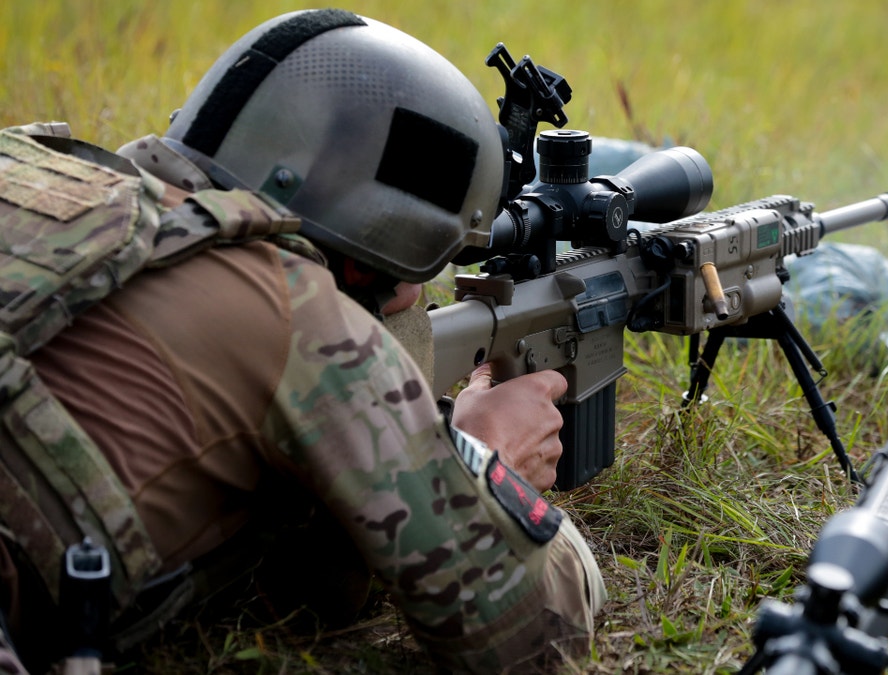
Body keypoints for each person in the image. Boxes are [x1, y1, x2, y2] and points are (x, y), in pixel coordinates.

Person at [0, 9, 604, 674]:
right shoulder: (299, 314)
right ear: (363, 261)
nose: (418, 296)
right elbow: (539, 633)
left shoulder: (37, 174)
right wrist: (484, 458)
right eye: (422, 271)